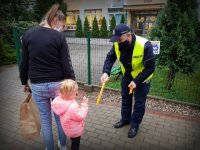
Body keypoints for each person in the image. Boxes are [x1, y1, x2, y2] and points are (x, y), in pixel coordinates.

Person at [20, 4, 75, 150]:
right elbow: (66, 64)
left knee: (45, 120)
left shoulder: (27, 35)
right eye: (62, 24)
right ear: (55, 19)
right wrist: (71, 83)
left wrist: (23, 82)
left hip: (37, 84)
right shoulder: (59, 37)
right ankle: (63, 146)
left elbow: (24, 62)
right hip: (58, 84)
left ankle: (49, 148)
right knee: (60, 117)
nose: (62, 28)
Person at [101, 24, 155, 138]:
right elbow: (110, 57)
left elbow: (150, 68)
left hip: (142, 79)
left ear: (129, 35)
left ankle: (135, 125)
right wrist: (106, 72)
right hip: (127, 76)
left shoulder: (145, 45)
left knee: (139, 103)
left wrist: (136, 81)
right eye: (116, 40)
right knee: (125, 98)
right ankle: (125, 119)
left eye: (120, 39)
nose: (118, 42)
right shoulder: (117, 43)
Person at [51, 79, 89, 150]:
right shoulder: (72, 106)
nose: (77, 93)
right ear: (71, 94)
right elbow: (81, 116)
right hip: (75, 131)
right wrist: (84, 104)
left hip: (68, 129)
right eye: (76, 92)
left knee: (73, 140)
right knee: (75, 145)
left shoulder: (59, 100)